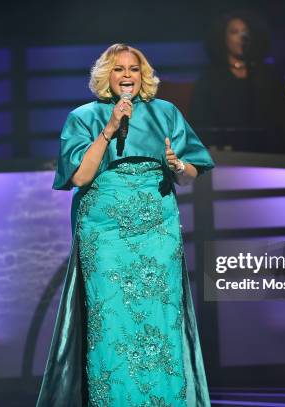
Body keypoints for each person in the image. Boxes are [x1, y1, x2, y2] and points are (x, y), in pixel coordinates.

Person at [36, 43, 214, 406]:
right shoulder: (83, 117)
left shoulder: (165, 113)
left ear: (144, 75)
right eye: (119, 69)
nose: (128, 75)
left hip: (156, 230)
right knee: (112, 319)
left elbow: (191, 172)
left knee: (159, 318)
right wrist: (110, 127)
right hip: (105, 234)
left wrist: (178, 166)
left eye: (134, 68)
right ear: (106, 76)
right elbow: (81, 178)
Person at [188, 10, 285, 154]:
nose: (242, 37)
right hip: (226, 155)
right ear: (223, 38)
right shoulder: (210, 79)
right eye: (235, 32)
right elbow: (200, 122)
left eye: (245, 32)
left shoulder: (270, 76)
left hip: (269, 153)